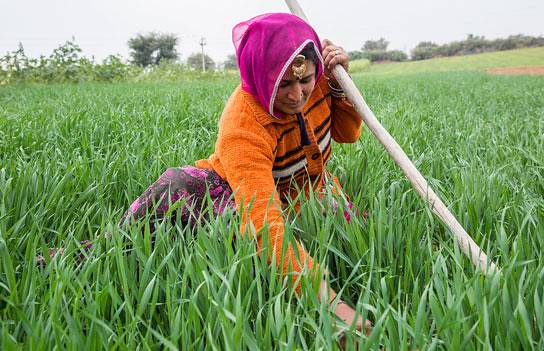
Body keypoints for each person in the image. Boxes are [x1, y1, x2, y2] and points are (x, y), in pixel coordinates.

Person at [39, 13, 371, 333]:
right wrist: (331, 306)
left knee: (364, 236)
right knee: (178, 192)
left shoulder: (324, 81)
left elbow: (348, 133)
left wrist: (341, 86)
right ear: (261, 76)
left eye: (305, 80)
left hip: (312, 192)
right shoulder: (244, 123)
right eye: (284, 84)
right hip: (239, 192)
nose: (298, 95)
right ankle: (89, 255)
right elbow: (262, 222)